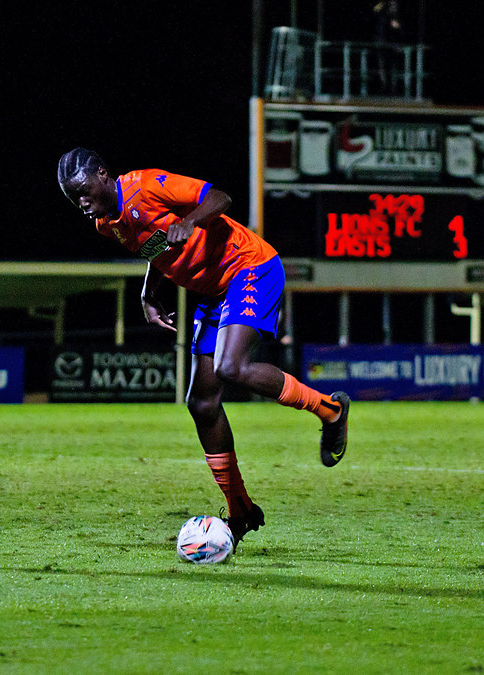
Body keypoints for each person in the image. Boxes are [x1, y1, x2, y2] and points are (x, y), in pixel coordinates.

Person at [57, 148, 349, 548]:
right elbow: (155, 247)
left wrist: (190, 222)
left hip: (249, 266)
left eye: (85, 192)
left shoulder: (148, 185)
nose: (82, 203)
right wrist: (149, 291)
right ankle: (241, 509)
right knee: (202, 404)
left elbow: (220, 198)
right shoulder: (108, 225)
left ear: (103, 175)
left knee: (232, 368)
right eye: (75, 199)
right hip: (212, 292)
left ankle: (330, 409)